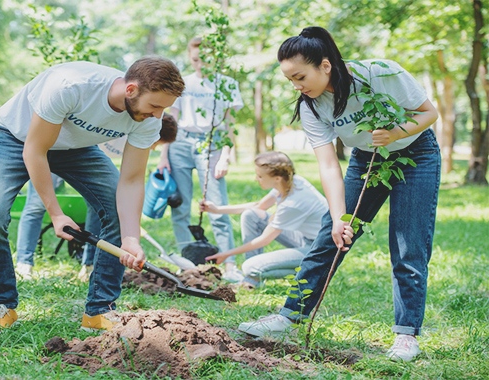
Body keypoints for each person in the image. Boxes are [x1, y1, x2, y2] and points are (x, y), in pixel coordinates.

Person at [238, 26, 440, 363]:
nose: (297, 86)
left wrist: (393, 133)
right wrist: (338, 218)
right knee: (329, 238)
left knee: (409, 244)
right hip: (366, 161)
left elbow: (428, 113)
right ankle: (289, 316)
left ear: (325, 65)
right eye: (290, 80)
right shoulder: (312, 107)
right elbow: (329, 166)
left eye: (300, 76)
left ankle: (406, 335)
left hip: (415, 154)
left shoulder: (380, 73)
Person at [0, 57, 184, 334]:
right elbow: (36, 151)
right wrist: (56, 213)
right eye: (155, 106)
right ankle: (3, 305)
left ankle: (100, 311)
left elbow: (131, 180)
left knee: (116, 210)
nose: (158, 115)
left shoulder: (148, 120)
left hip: (77, 148)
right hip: (17, 138)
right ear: (131, 90)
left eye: (163, 108)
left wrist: (131, 238)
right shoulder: (71, 85)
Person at [14, 114, 179, 282]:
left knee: (96, 205)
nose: (153, 148)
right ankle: (24, 263)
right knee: (36, 205)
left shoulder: (137, 140)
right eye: (157, 144)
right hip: (54, 149)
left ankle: (89, 265)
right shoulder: (121, 125)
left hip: (83, 159)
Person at [158, 36, 244, 281]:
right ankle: (187, 261)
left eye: (205, 59)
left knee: (217, 205)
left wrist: (225, 155)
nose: (200, 64)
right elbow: (171, 117)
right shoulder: (183, 83)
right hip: (181, 142)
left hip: (213, 142)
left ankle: (229, 264)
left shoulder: (226, 85)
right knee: (180, 204)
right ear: (190, 57)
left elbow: (229, 123)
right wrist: (164, 154)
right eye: (195, 59)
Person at [201, 152, 328, 288]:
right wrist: (217, 209)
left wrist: (226, 254)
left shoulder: (293, 203)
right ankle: (251, 281)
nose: (256, 179)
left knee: (250, 267)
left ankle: (317, 272)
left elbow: (264, 240)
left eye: (260, 176)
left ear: (277, 178)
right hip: (304, 238)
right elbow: (258, 207)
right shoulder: (291, 182)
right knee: (251, 215)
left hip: (320, 250)